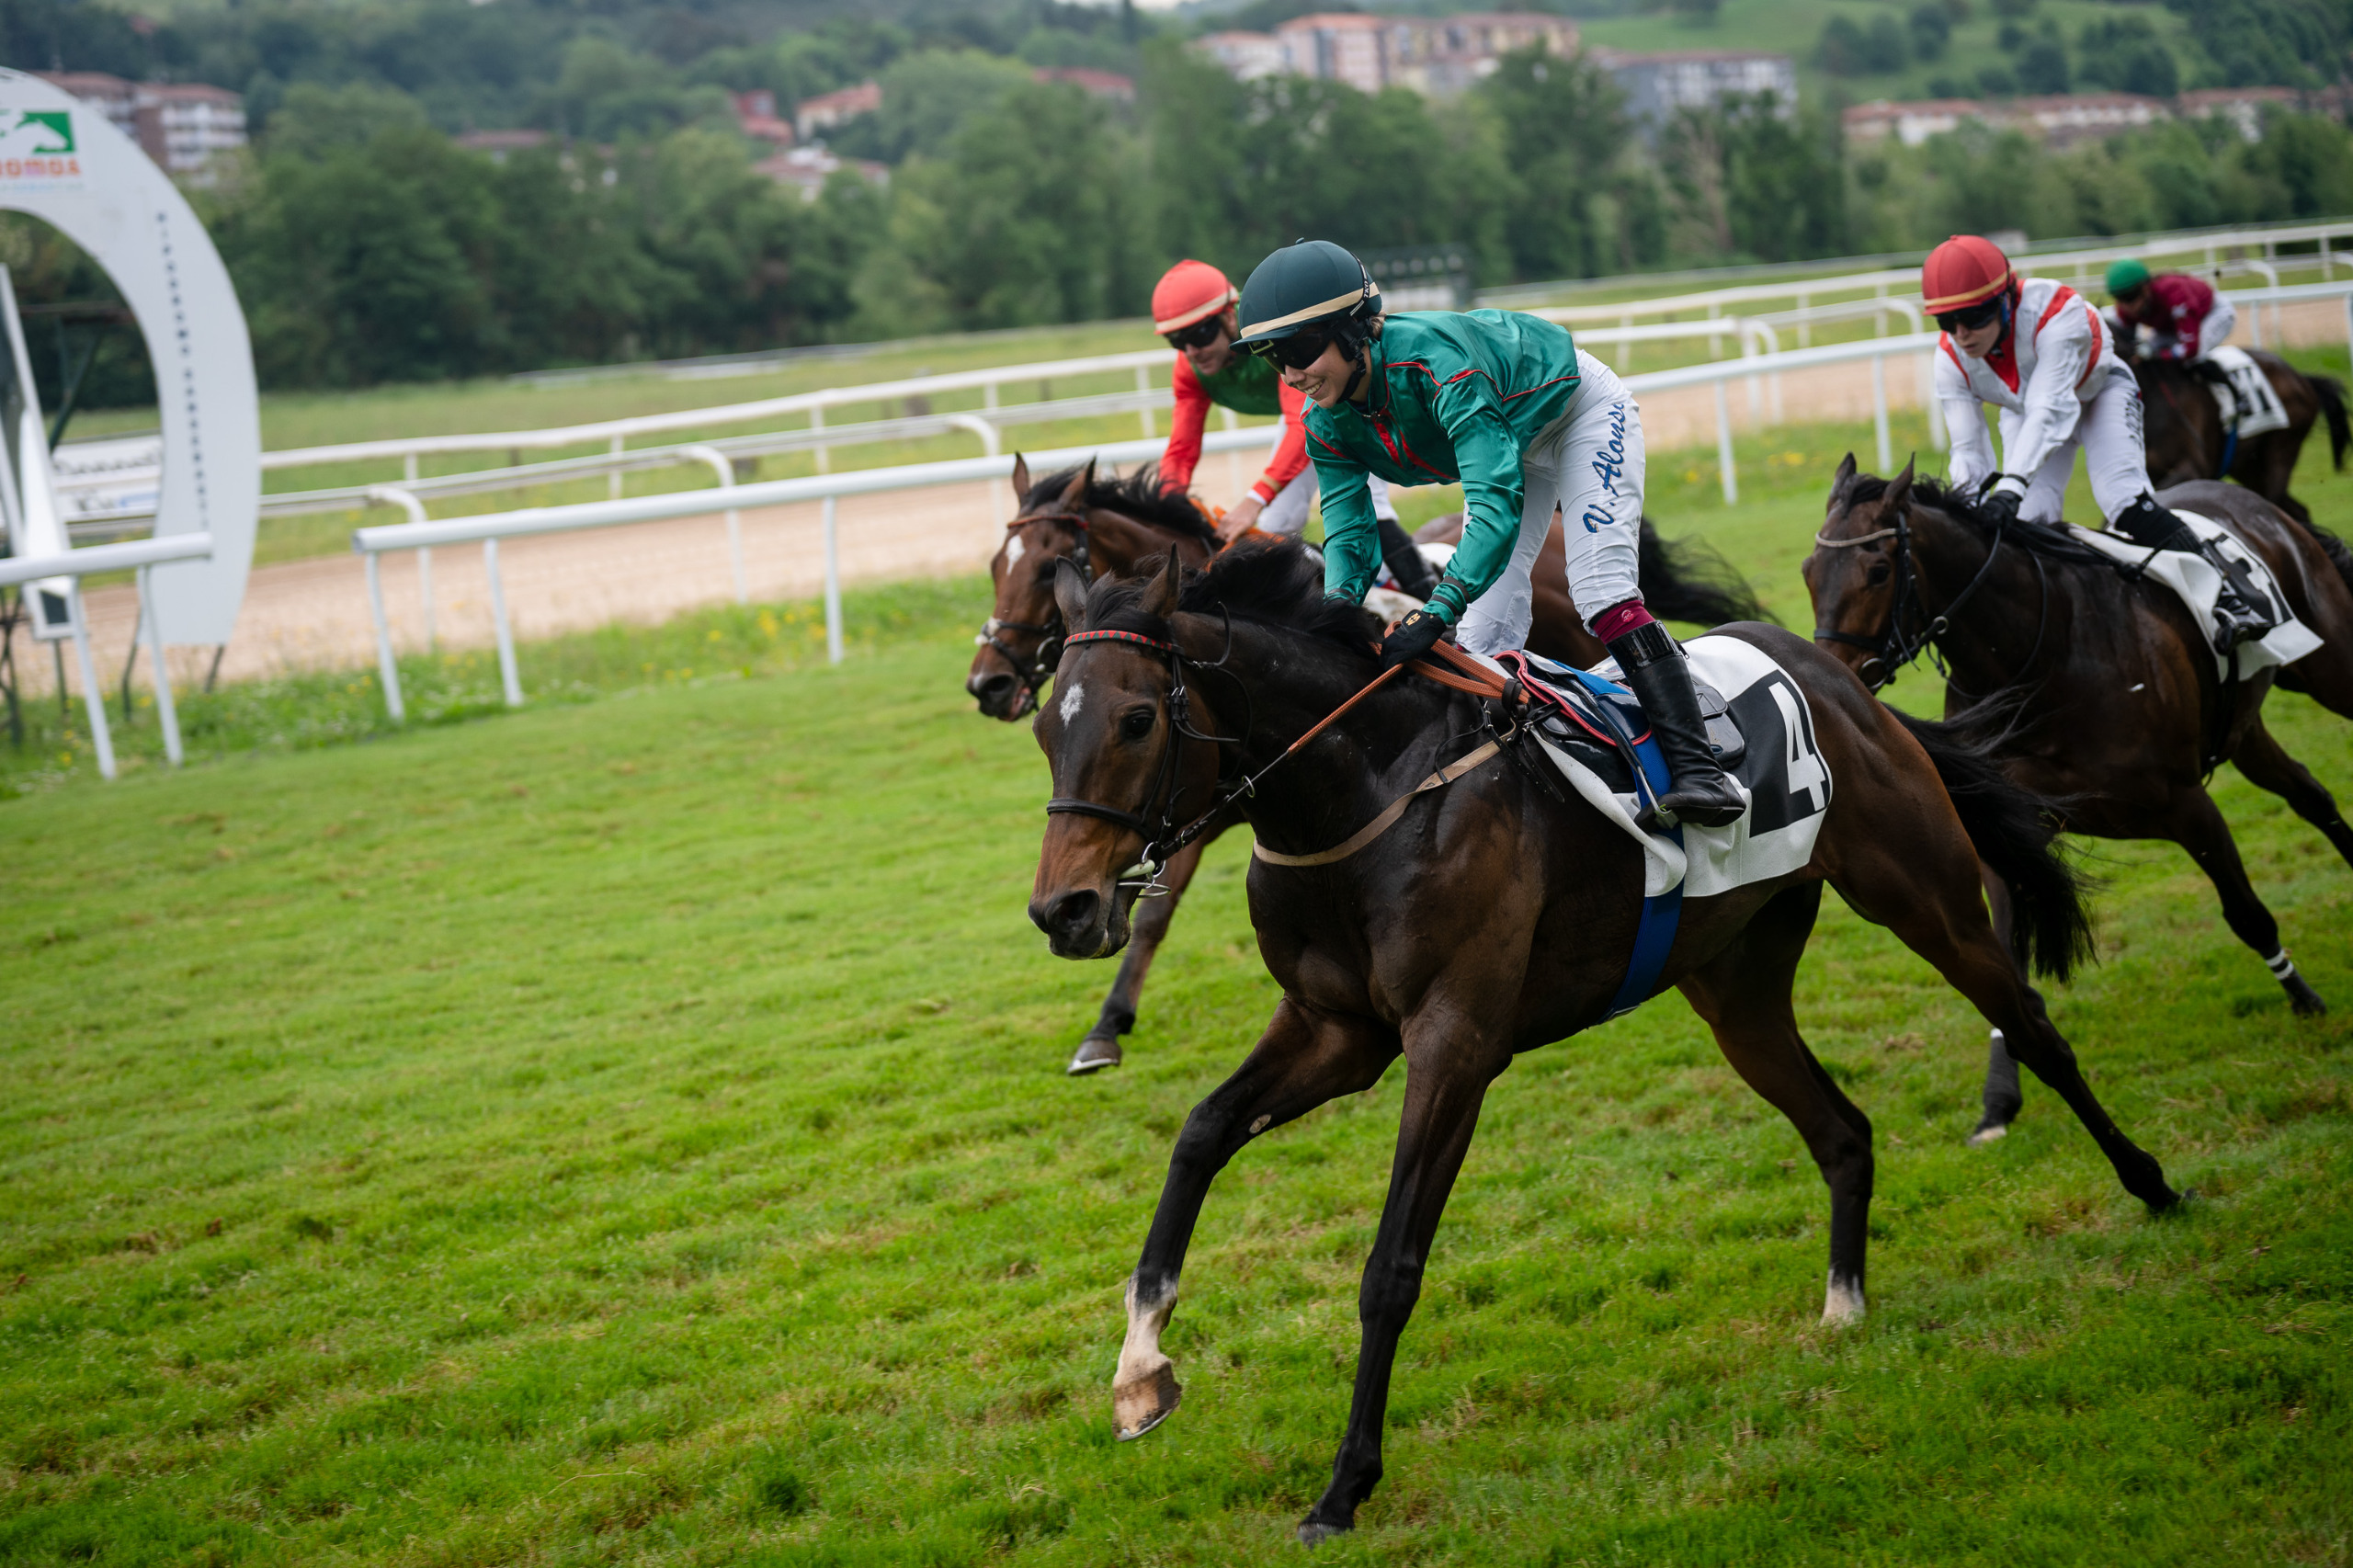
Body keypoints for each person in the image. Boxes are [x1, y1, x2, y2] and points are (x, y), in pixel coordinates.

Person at [1233, 238, 1746, 830]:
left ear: (1353, 331)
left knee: (1599, 590)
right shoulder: (1324, 422)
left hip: (1577, 413)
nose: (1292, 374)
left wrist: (1435, 610)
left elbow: (1493, 506)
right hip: (1512, 439)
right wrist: (1335, 623)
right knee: (1481, 634)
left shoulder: (1437, 365)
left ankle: (1700, 767)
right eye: (1274, 358)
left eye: (1301, 349)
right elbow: (1349, 534)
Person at [1927, 233, 2273, 647]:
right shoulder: (1949, 359)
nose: (1962, 334)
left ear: (2007, 299)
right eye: (1947, 322)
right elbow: (1968, 450)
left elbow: (2050, 408)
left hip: (2098, 392)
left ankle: (2230, 593)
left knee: (2122, 500)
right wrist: (1969, 512)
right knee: (2025, 524)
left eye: (1974, 316)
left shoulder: (2056, 311)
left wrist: (2010, 487)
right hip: (2026, 412)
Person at [1151, 260, 1434, 597]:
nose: (1191, 351)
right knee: (1275, 527)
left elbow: (1300, 426)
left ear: (1229, 316)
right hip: (1309, 412)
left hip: (1352, 401)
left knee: (1370, 505)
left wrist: (1254, 499)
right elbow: (1182, 448)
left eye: (1199, 334)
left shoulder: (1266, 334)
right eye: (1177, 341)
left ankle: (1431, 600)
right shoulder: (1189, 369)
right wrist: (1164, 505)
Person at [2104, 256, 2236, 363]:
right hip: (2172, 325)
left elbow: (2190, 349)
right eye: (2119, 298)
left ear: (2145, 289)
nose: (2125, 306)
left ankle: (2224, 387)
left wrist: (2158, 355)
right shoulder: (2124, 309)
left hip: (2212, 314)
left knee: (2193, 359)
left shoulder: (2174, 293)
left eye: (2129, 297)